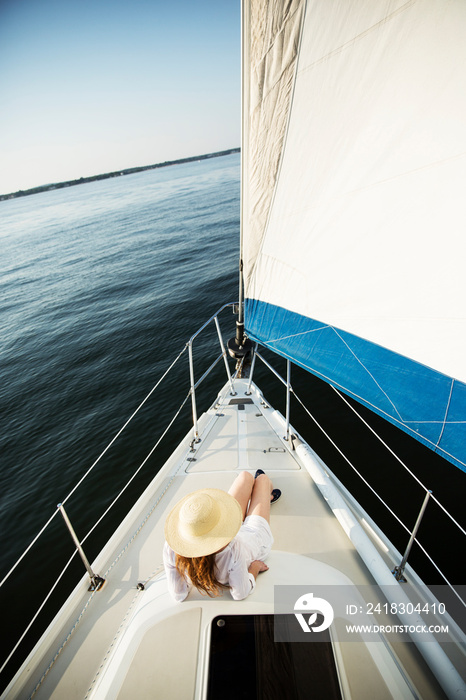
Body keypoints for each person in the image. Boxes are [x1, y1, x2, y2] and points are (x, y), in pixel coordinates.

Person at [163, 470, 281, 601]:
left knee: (245, 477)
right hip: (253, 540)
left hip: (233, 541)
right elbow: (240, 593)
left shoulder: (172, 549)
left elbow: (178, 594)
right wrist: (254, 568)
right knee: (263, 480)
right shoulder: (233, 549)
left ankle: (261, 499)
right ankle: (266, 497)